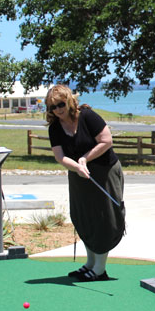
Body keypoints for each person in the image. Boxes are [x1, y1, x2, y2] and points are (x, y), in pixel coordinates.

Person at [46, 85, 125, 281]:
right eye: (53, 107)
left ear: (70, 101)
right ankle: (90, 263)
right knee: (85, 216)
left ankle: (99, 268)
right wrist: (77, 166)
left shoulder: (88, 116)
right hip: (79, 174)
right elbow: (60, 157)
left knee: (103, 217)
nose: (58, 110)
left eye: (61, 104)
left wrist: (85, 159)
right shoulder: (55, 128)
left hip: (104, 172)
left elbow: (106, 141)